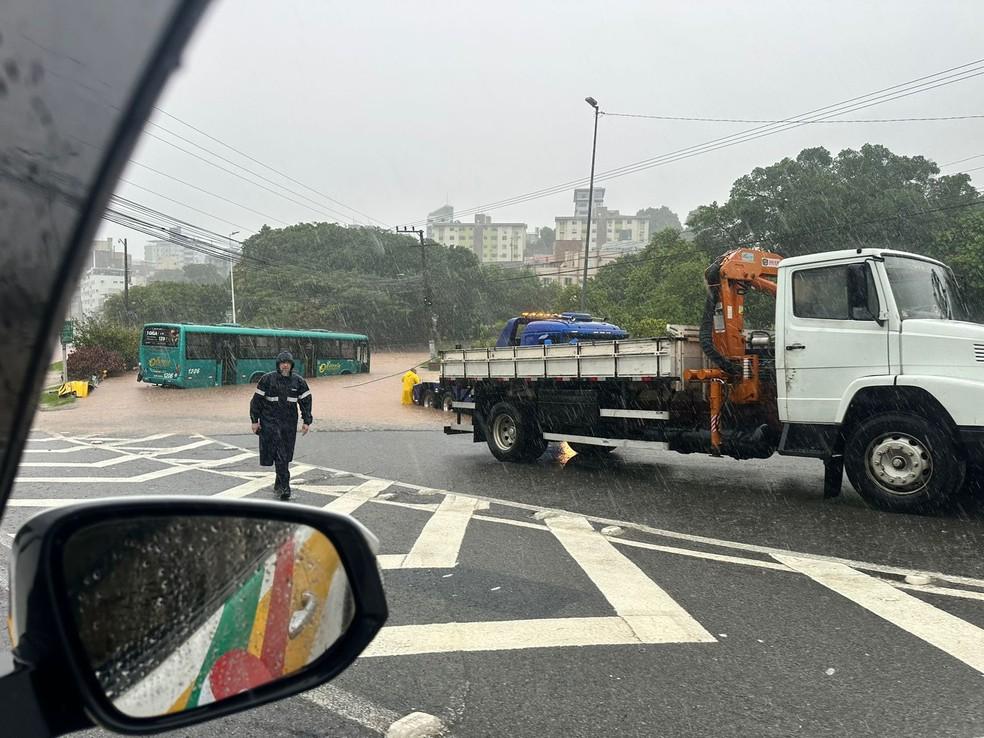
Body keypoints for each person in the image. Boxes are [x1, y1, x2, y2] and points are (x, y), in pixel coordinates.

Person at [250, 351, 313, 499]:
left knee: (285, 455)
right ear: (278, 365)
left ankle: (279, 483)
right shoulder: (267, 379)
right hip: (270, 423)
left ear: (291, 365)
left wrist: (307, 421)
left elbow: (306, 402)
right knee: (280, 454)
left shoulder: (299, 381)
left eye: (288, 363)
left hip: (289, 424)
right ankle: (285, 487)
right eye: (282, 363)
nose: (285, 365)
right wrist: (254, 421)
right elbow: (256, 401)